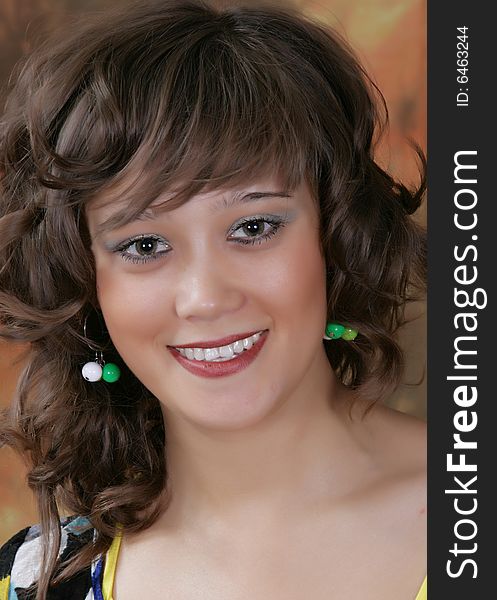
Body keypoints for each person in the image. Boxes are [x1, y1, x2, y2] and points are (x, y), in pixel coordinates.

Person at [0, 0, 427, 598]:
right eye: (145, 244)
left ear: (337, 235)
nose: (204, 298)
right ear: (84, 284)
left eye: (253, 228)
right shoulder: (38, 580)